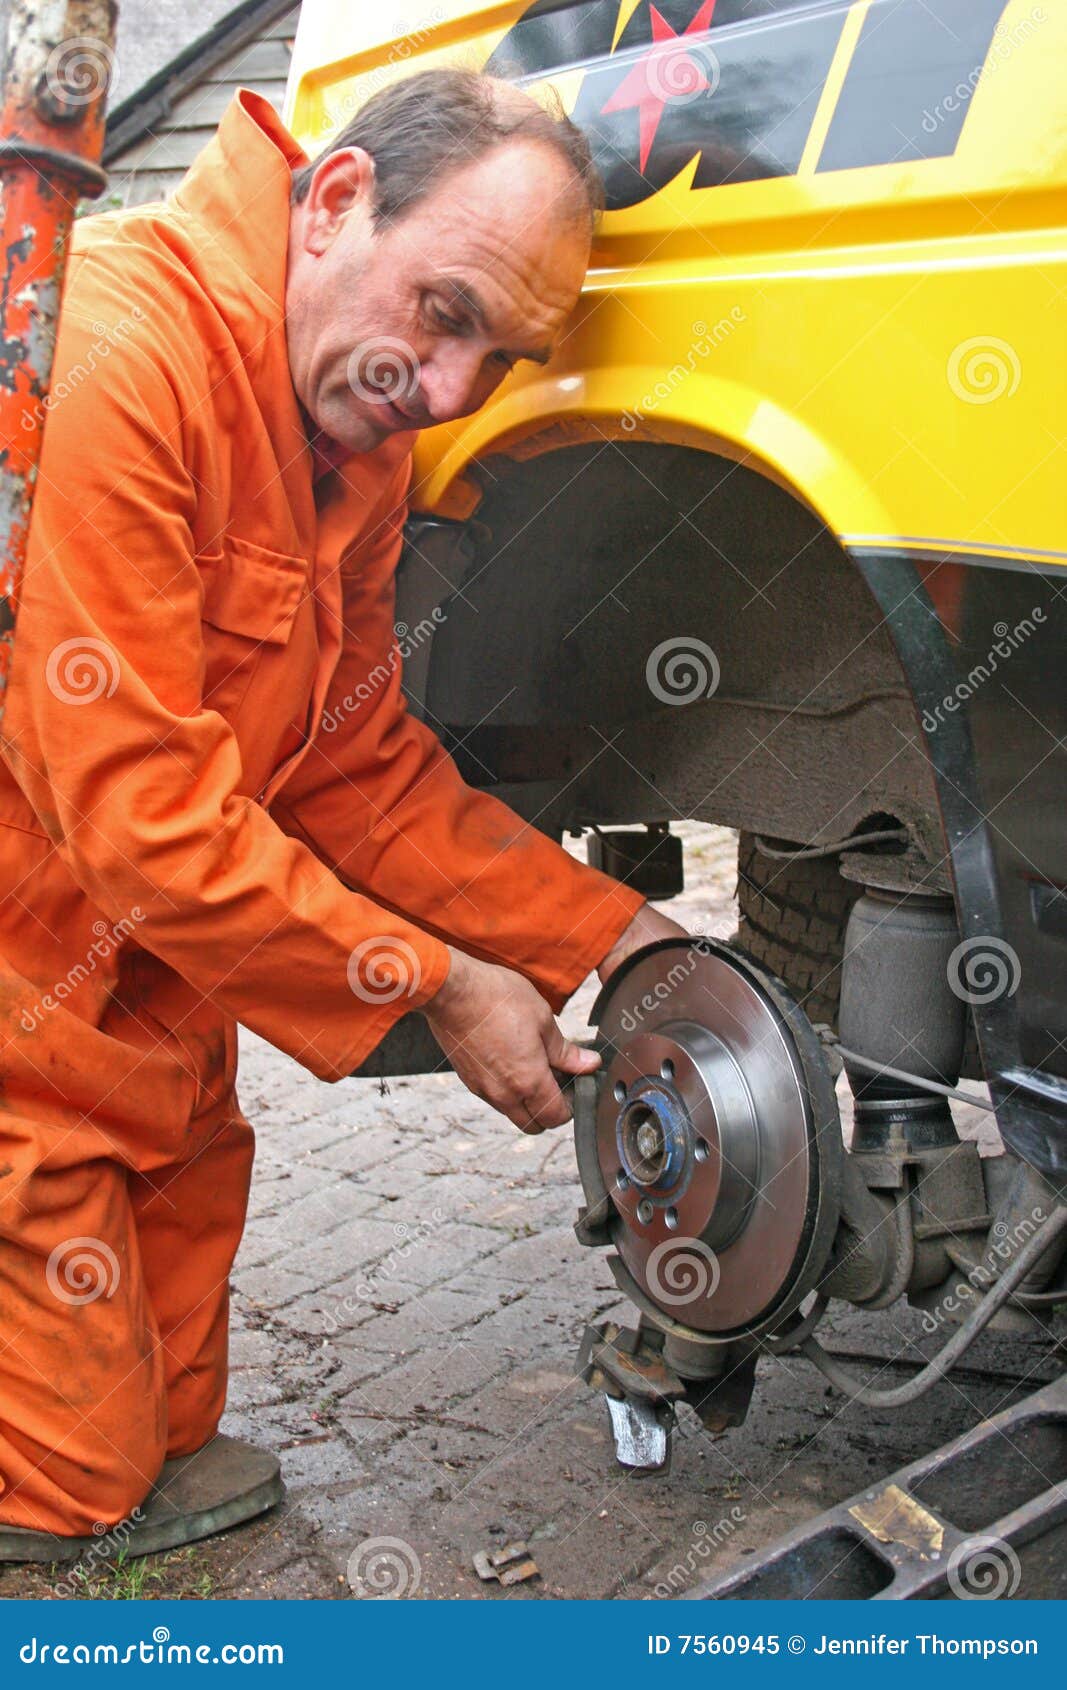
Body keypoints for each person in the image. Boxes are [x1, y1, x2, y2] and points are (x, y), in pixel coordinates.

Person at [0, 68, 683, 1552]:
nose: (445, 397)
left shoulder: (353, 436)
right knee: (69, 1488)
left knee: (173, 1421)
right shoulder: (115, 353)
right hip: (19, 990)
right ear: (333, 199)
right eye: (445, 316)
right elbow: (144, 819)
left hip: (145, 998)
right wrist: (436, 980)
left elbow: (349, 762)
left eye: (500, 361)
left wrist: (613, 936)